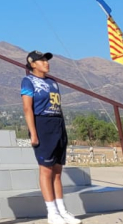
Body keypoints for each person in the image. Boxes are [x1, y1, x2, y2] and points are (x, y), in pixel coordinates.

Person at [22, 51, 82, 224]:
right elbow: (27, 108)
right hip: (42, 125)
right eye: (41, 60)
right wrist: (33, 132)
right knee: (46, 170)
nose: (46, 63)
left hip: (57, 125)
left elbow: (58, 107)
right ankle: (52, 212)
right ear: (32, 64)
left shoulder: (53, 82)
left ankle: (62, 210)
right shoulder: (28, 80)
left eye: (46, 60)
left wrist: (63, 131)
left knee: (57, 171)